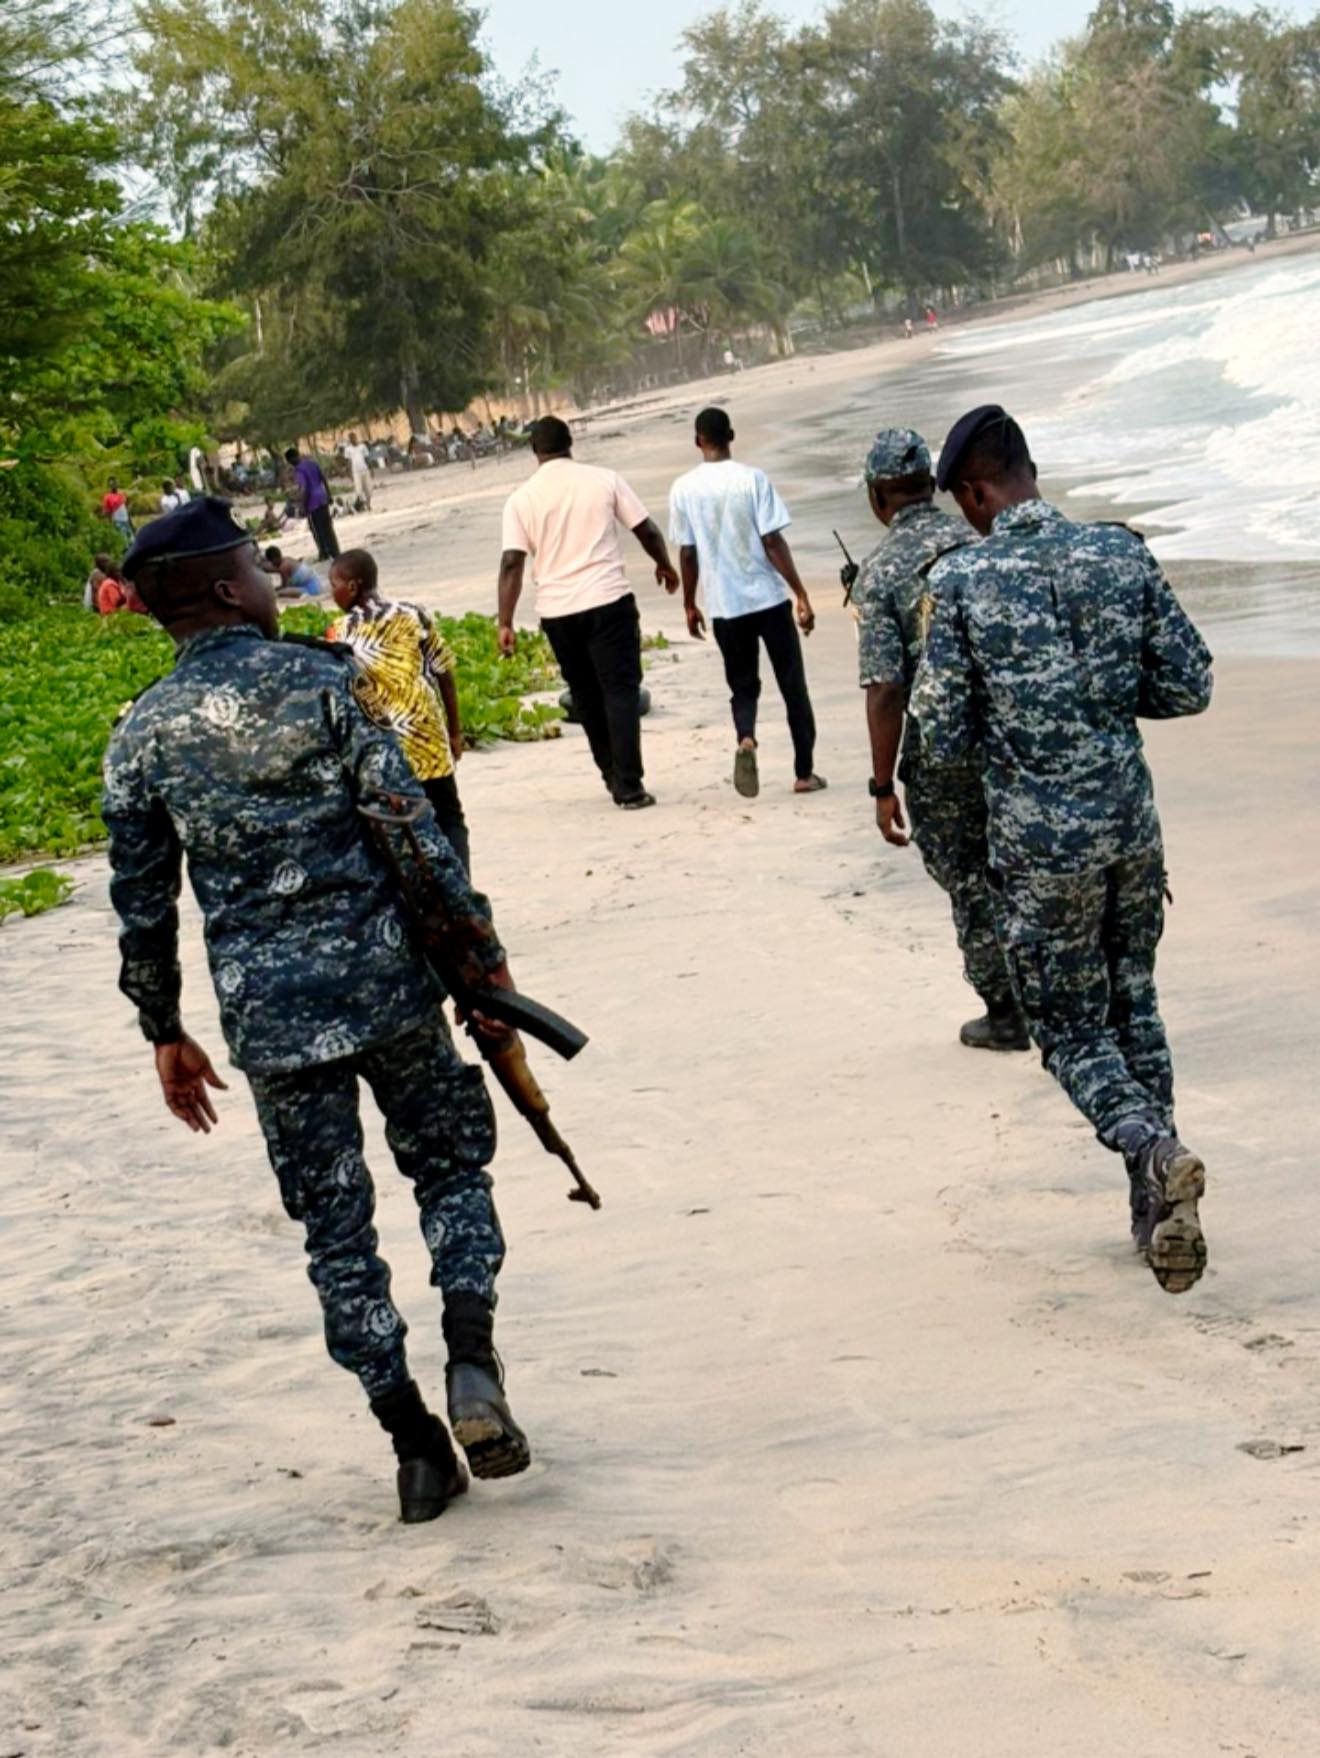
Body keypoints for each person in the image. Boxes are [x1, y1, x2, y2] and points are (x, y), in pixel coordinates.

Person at [102, 497, 530, 1524]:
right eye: (258, 563)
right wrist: (485, 971)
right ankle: (470, 1361)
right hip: (389, 988)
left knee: (336, 1234)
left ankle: (414, 1445)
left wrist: (163, 1028)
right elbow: (416, 840)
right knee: (449, 1167)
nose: (272, 574)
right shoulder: (327, 685)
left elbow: (142, 908)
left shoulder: (141, 735)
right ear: (220, 588)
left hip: (272, 1024)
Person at [911, 406, 1214, 1294]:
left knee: (1073, 1027)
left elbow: (941, 734)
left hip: (1043, 851)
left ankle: (1152, 1150)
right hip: (1131, 829)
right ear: (1030, 470)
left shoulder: (963, 583)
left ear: (974, 492)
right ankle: (1154, 1207)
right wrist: (1103, 710)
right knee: (1137, 1005)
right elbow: (1189, 683)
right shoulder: (1121, 554)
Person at [853, 427, 1026, 1050]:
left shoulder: (878, 574)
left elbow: (885, 689)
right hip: (1015, 736)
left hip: (941, 754)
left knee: (970, 880)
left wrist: (880, 786)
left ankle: (1007, 1013)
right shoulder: (980, 535)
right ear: (932, 484)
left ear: (877, 497)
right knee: (1023, 867)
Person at [497, 415, 678, 810]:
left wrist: (505, 621)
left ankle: (611, 773)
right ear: (570, 443)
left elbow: (512, 562)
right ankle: (629, 784)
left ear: (534, 450)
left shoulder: (521, 500)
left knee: (585, 695)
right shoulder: (603, 479)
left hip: (558, 611)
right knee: (621, 691)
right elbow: (645, 529)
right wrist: (663, 564)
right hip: (609, 601)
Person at [668, 406, 825, 799]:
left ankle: (747, 739)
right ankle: (804, 772)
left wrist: (690, 603)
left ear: (697, 441)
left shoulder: (684, 488)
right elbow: (772, 541)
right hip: (768, 600)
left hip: (725, 605)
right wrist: (800, 592)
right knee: (793, 686)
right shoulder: (752, 479)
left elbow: (688, 553)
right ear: (731, 436)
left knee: (742, 687)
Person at [328, 548, 471, 875]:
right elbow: (444, 674)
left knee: (399, 827)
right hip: (427, 734)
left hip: (383, 745)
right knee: (449, 816)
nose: (331, 592)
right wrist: (455, 731)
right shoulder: (413, 613)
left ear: (352, 587)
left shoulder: (339, 632)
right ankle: (462, 889)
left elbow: (344, 692)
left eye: (334, 584)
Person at [285, 446, 340, 561]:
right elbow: (323, 478)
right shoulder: (312, 463)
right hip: (322, 497)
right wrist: (329, 494)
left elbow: (304, 488)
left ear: (290, 460)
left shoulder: (299, 470)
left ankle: (324, 552)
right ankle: (335, 550)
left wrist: (302, 505)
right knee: (327, 526)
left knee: (317, 529)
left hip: (312, 502)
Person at [343, 432, 373, 510]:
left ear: (356, 438)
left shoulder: (362, 447)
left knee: (369, 490)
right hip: (356, 472)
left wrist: (371, 469)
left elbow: (367, 459)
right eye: (351, 439)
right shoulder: (348, 449)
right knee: (358, 491)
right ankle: (362, 506)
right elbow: (348, 462)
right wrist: (350, 474)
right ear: (349, 440)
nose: (352, 440)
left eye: (354, 438)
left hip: (365, 470)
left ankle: (368, 504)